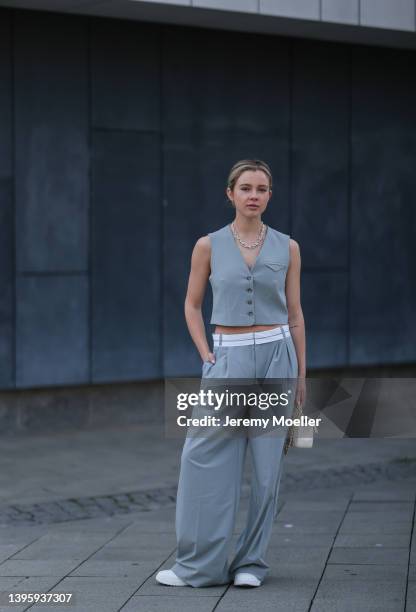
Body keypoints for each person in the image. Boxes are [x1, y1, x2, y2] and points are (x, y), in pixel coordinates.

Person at [156, 159, 306, 588]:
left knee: (267, 467)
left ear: (270, 195)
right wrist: (206, 351)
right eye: (245, 188)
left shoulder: (288, 247)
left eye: (262, 188)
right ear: (230, 193)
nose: (254, 195)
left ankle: (250, 563)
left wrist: (301, 375)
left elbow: (295, 315)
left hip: (279, 356)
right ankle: (198, 566)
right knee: (202, 459)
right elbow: (191, 303)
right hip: (228, 357)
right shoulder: (208, 245)